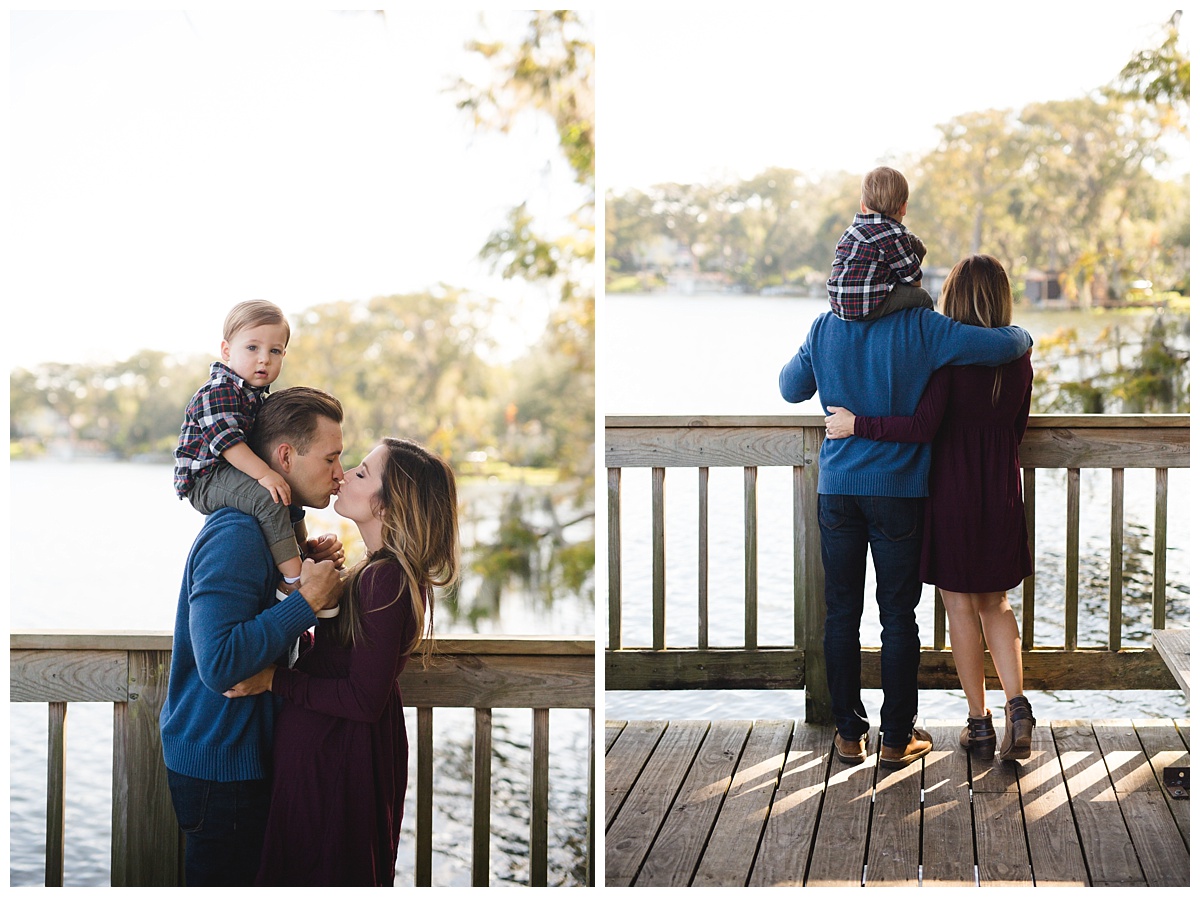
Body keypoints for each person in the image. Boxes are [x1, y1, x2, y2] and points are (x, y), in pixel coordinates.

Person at [778, 258, 1033, 769]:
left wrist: (854, 423)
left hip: (903, 490)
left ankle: (882, 733)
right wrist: (1023, 334)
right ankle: (986, 714)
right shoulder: (997, 353)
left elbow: (916, 425)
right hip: (983, 492)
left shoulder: (834, 327)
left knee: (857, 611)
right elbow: (1018, 421)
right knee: (969, 607)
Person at [223, 437, 461, 886]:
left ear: (389, 507)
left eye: (363, 473)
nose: (344, 474)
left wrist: (274, 680)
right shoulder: (374, 570)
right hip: (330, 751)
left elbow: (363, 697)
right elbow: (337, 659)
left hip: (339, 761)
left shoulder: (387, 579)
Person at [160, 386, 348, 886]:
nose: (340, 474)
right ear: (285, 456)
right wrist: (306, 602)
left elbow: (267, 624)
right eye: (331, 458)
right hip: (220, 769)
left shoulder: (277, 530)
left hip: (246, 758)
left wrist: (309, 575)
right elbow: (220, 663)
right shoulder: (239, 531)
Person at [174, 300, 305, 596]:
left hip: (233, 471)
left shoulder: (255, 395)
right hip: (206, 477)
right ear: (227, 351)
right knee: (267, 496)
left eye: (275, 351)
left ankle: (301, 553)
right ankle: (295, 581)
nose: (264, 360)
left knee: (288, 493)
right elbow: (229, 445)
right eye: (252, 348)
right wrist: (265, 475)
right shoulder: (219, 389)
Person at [827, 166, 935, 321]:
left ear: (863, 206)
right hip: (866, 304)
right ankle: (927, 337)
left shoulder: (849, 232)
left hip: (838, 304)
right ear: (903, 208)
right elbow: (914, 280)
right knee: (923, 297)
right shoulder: (895, 234)